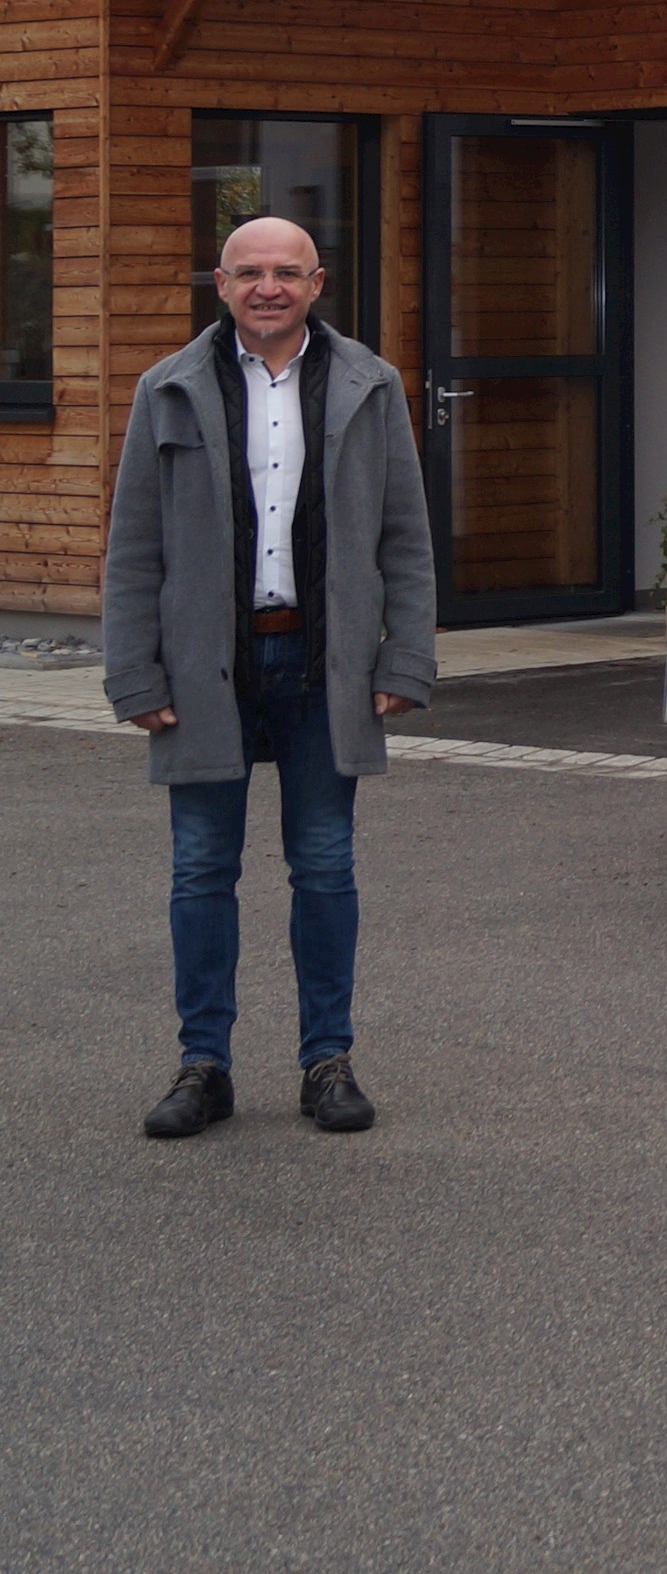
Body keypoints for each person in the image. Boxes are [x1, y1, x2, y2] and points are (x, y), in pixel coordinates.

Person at [101, 217, 436, 1140]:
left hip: (322, 665)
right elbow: (133, 548)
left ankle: (327, 1061)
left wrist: (404, 656)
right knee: (201, 870)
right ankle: (202, 1066)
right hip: (208, 666)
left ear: (318, 282)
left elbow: (405, 538)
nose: (268, 287)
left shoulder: (371, 387)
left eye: (287, 271)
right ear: (221, 283)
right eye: (250, 272)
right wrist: (134, 673)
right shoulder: (166, 388)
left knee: (324, 868)